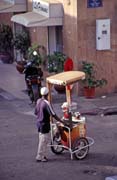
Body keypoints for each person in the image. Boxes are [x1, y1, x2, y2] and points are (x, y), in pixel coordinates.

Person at [35, 86, 60, 162]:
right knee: (44, 140)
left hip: (39, 123)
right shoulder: (46, 103)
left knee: (42, 139)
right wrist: (62, 121)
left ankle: (42, 155)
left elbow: (36, 112)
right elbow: (53, 114)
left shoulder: (38, 101)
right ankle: (40, 156)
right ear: (47, 94)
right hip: (44, 124)